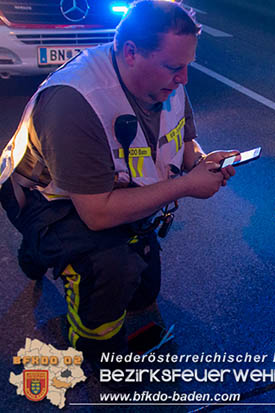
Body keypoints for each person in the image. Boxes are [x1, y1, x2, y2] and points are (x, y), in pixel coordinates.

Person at [0, 1, 236, 360]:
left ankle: (46, 253)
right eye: (174, 67)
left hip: (107, 191)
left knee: (143, 295)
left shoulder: (168, 81)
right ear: (130, 53)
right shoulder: (75, 101)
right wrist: (187, 185)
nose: (184, 78)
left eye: (188, 65)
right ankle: (91, 342)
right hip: (43, 199)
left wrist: (203, 163)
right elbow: (96, 214)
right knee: (113, 266)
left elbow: (184, 142)